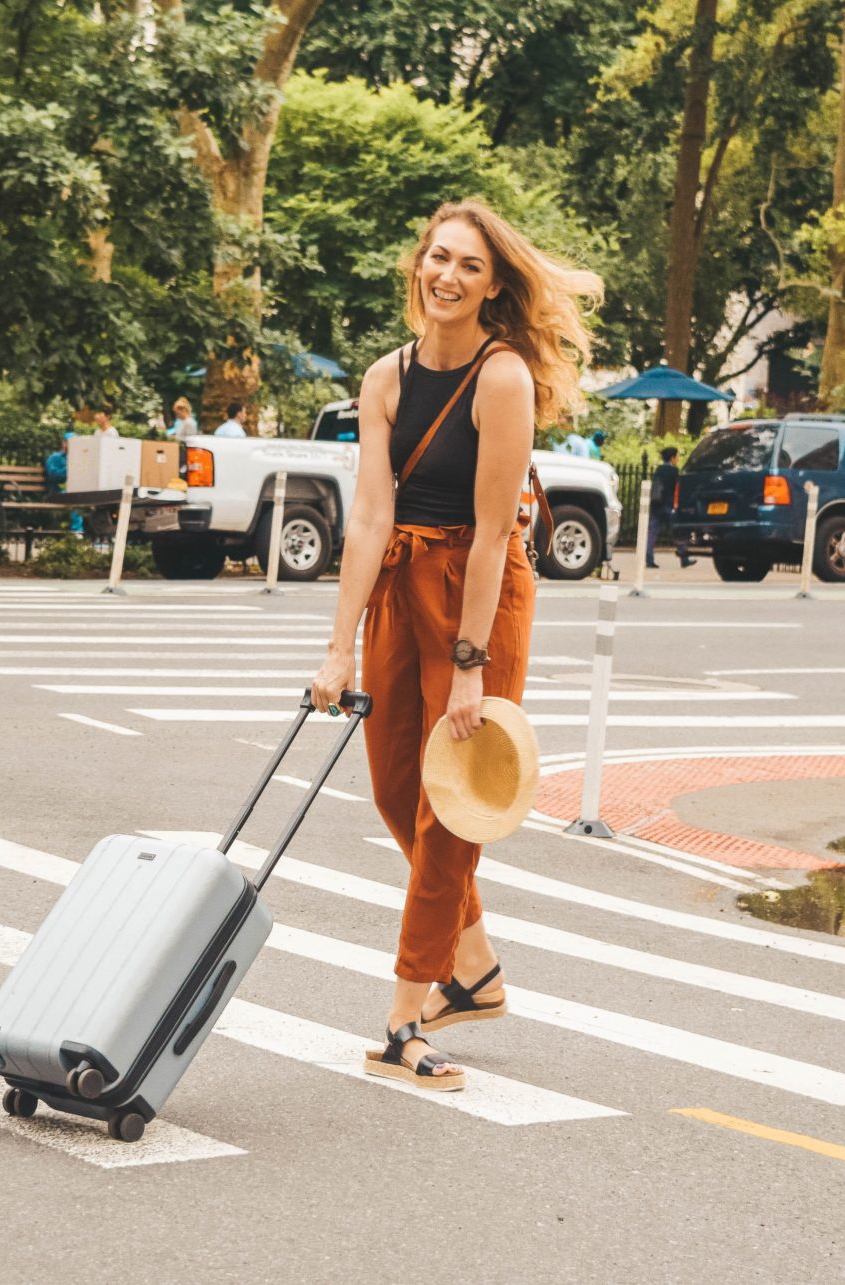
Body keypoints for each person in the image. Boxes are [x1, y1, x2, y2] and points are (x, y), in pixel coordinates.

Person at [310, 199, 602, 1090]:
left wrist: (472, 665)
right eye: (438, 258)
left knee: (450, 811)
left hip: (480, 595)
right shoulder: (385, 378)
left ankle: (406, 1013)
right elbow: (368, 517)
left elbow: (490, 532)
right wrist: (339, 648)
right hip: (402, 583)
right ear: (417, 267)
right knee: (401, 792)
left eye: (470, 266)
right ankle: (471, 971)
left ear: (492, 285)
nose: (449, 276)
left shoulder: (501, 376)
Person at [647, 444, 694, 568]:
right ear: (672, 458)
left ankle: (648, 558)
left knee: (652, 533)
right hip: (669, 505)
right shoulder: (674, 471)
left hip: (656, 504)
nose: (678, 458)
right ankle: (684, 558)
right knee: (678, 531)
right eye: (677, 456)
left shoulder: (658, 470)